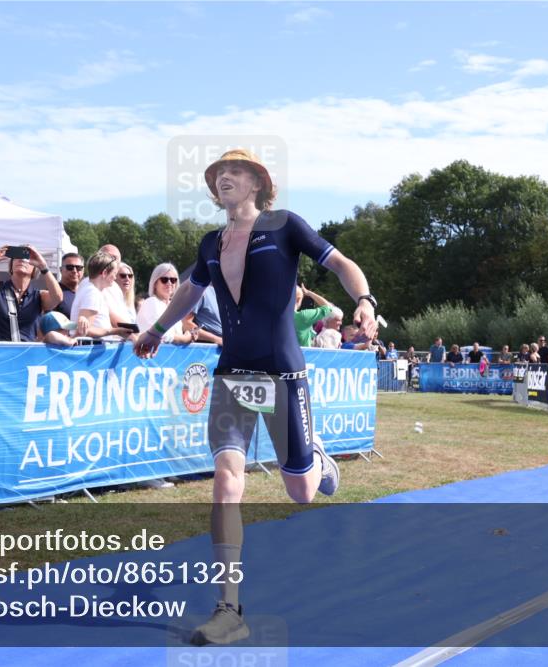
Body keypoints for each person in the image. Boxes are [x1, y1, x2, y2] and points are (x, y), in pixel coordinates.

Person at [133, 148, 378, 646]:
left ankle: (318, 461)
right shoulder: (209, 242)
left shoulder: (286, 226)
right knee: (226, 479)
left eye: (235, 172)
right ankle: (229, 608)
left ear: (257, 184)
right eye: (219, 174)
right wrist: (158, 328)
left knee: (301, 492)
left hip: (282, 373)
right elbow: (186, 290)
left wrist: (366, 302)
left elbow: (342, 263)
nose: (225, 179)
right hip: (231, 374)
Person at [0, 244, 62, 342]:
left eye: (27, 257)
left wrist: (43, 266)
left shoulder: (39, 296)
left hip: (25, 355)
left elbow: (57, 298)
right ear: (11, 265)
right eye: (17, 256)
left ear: (34, 268)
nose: (22, 259)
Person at [70, 251, 137, 340]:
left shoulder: (90, 290)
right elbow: (85, 330)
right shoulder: (92, 293)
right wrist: (116, 331)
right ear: (105, 273)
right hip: (92, 350)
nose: (115, 278)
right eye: (114, 273)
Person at [137, 263, 195, 344]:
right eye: (164, 279)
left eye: (173, 280)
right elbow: (161, 335)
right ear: (155, 283)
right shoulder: (151, 303)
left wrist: (191, 334)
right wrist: (185, 338)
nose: (169, 283)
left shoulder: (173, 306)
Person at [54, 252, 85, 319]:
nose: (74, 271)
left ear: (83, 270)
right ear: (61, 270)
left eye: (79, 268)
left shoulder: (86, 293)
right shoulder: (54, 292)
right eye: (70, 267)